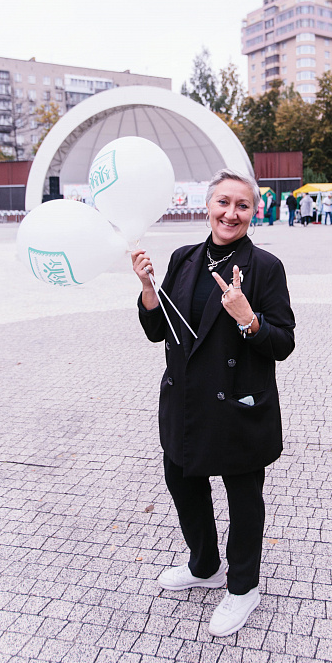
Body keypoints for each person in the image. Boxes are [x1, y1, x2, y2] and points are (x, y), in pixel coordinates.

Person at [132, 169, 296, 638]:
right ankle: (204, 566)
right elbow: (158, 330)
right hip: (186, 401)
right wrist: (148, 290)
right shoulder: (184, 258)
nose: (231, 213)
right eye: (223, 202)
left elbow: (282, 342)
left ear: (254, 212)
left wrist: (248, 319)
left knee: (243, 499)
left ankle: (243, 587)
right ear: (208, 206)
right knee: (182, 483)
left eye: (242, 205)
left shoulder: (265, 267)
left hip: (237, 404)